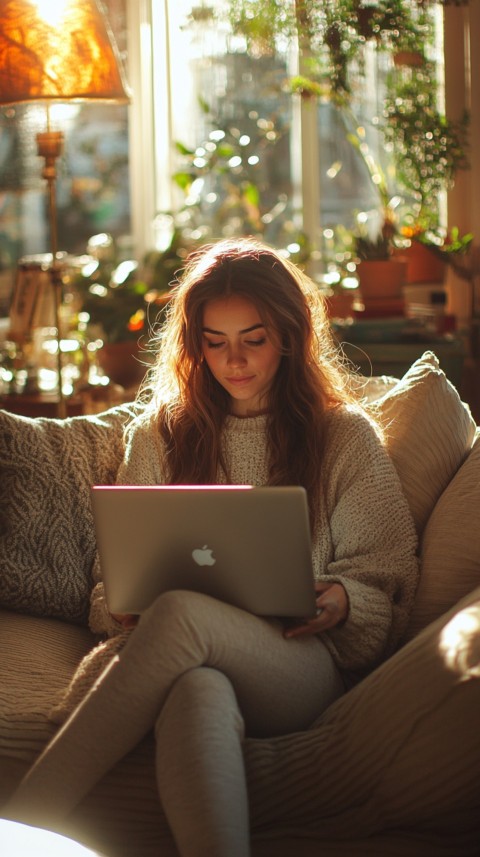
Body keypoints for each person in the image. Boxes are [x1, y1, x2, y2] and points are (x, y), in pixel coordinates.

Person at [3, 237, 419, 856]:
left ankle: (24, 823)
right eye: (215, 341)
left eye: (253, 339)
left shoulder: (343, 436)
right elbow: (107, 581)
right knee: (197, 690)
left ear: (288, 335)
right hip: (183, 658)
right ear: (194, 343)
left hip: (294, 664)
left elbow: (384, 580)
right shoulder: (159, 435)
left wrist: (338, 600)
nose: (235, 361)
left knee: (179, 612)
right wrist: (121, 606)